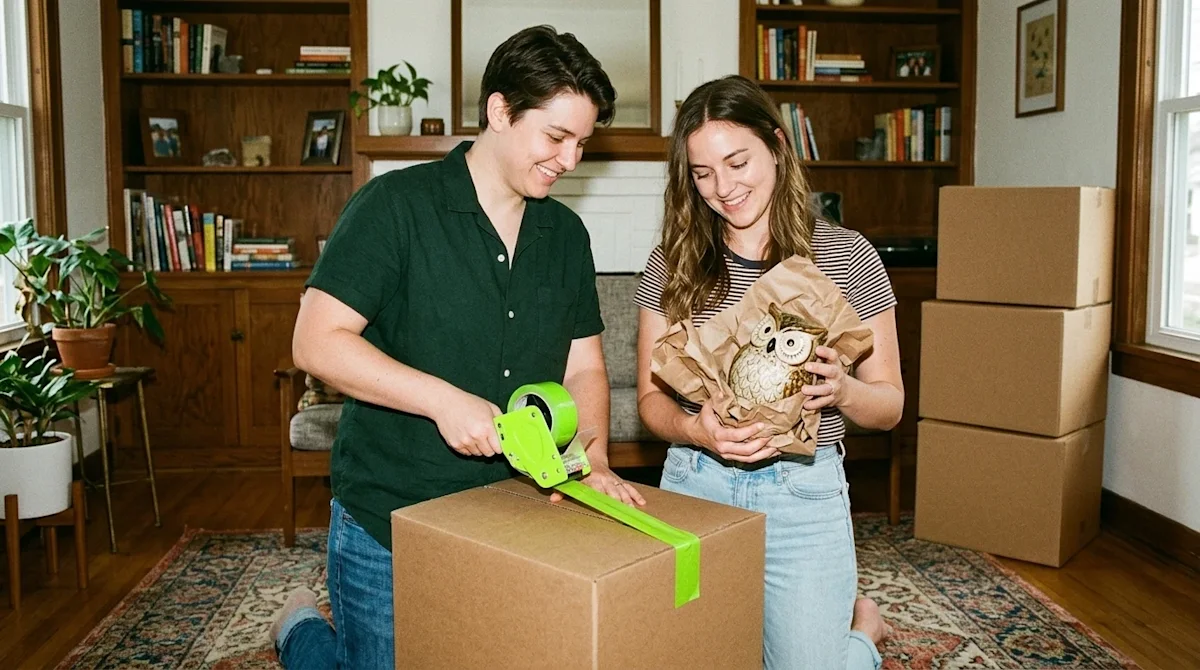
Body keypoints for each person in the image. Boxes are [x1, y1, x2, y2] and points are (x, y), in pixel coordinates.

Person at [269, 25, 645, 669]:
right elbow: (316, 342)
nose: (570, 159)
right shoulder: (393, 205)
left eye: (582, 142)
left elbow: (583, 365)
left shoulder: (566, 235)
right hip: (391, 516)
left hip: (515, 513)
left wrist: (593, 458)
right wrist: (443, 401)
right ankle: (298, 626)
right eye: (556, 137)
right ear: (500, 110)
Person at [634, 75, 902, 670]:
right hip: (696, 483)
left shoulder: (847, 255)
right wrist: (695, 429)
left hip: (803, 491)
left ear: (778, 146)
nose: (723, 188)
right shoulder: (672, 264)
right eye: (703, 174)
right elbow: (651, 403)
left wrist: (844, 390)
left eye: (738, 163)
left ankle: (862, 635)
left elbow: (890, 406)